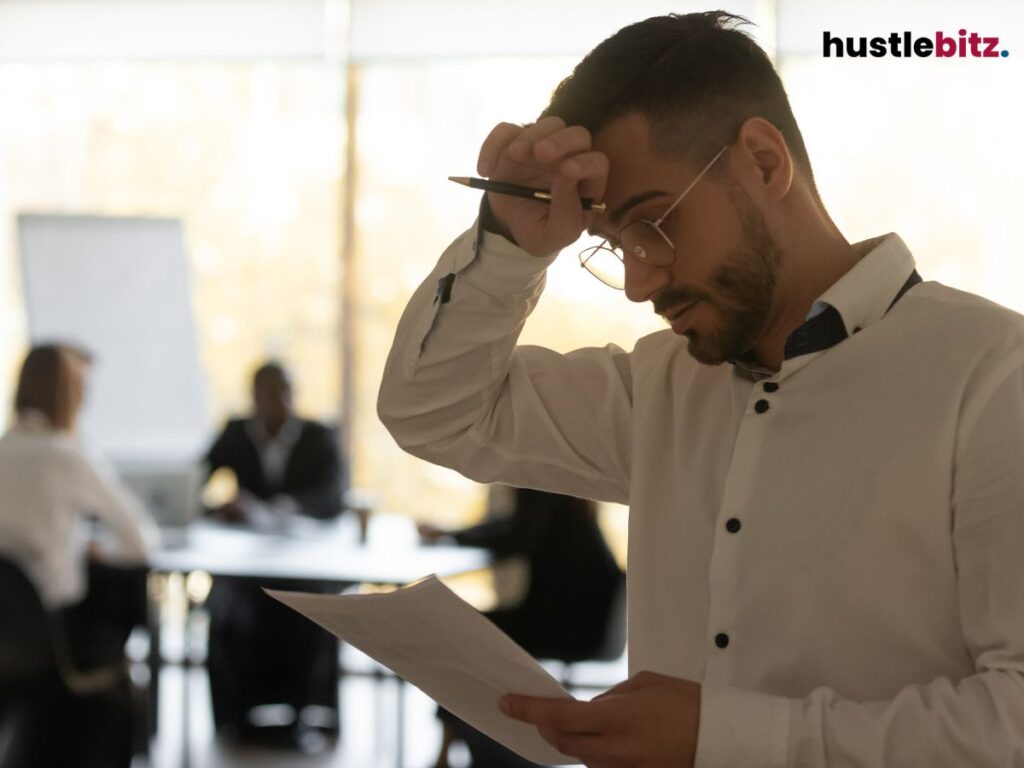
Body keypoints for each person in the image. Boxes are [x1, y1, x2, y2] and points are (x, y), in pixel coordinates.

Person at [377, 11, 1024, 768]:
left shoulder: (994, 378)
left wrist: (725, 738)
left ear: (762, 160)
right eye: (614, 245)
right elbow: (435, 412)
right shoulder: (661, 390)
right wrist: (509, 245)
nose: (639, 281)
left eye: (653, 223)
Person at [0, 343, 160, 766]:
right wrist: (95, 548)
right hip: (56, 639)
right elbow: (142, 542)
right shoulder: (65, 456)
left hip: (6, 637)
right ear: (65, 393)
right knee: (121, 622)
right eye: (82, 388)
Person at [420, 486, 624, 767]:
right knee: (467, 629)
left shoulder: (542, 487)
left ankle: (451, 752)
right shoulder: (566, 494)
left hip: (566, 626)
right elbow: (515, 531)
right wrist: (452, 534)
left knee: (463, 632)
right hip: (578, 621)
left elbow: (514, 538)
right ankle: (459, 746)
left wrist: (452, 535)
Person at [202, 360, 344, 752]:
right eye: (269, 393)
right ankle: (238, 717)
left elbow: (334, 497)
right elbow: (198, 482)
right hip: (245, 564)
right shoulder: (235, 434)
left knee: (309, 610)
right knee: (228, 609)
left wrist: (283, 508)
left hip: (306, 561)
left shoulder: (319, 436)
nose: (278, 402)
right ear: (254, 397)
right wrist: (223, 507)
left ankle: (306, 716)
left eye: (285, 392)